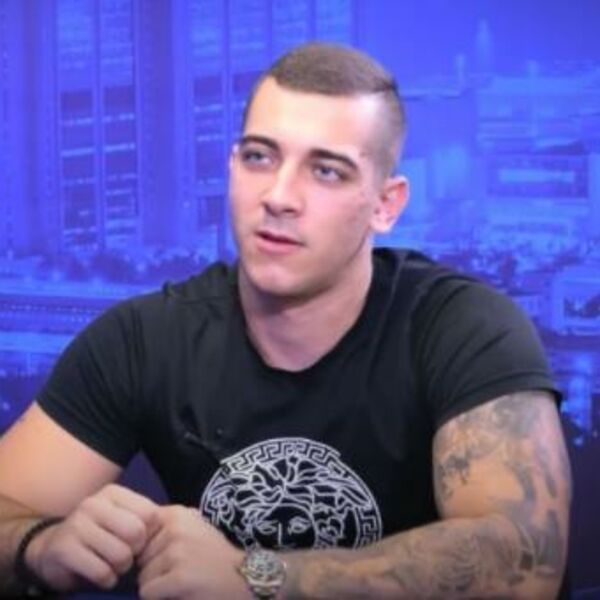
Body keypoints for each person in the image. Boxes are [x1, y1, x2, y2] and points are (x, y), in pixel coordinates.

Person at [0, 42, 571, 599]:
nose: (278, 196)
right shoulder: (143, 340)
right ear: (232, 166)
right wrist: (40, 547)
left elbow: (525, 560)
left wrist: (257, 577)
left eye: (326, 171)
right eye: (259, 157)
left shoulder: (464, 327)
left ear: (386, 205)